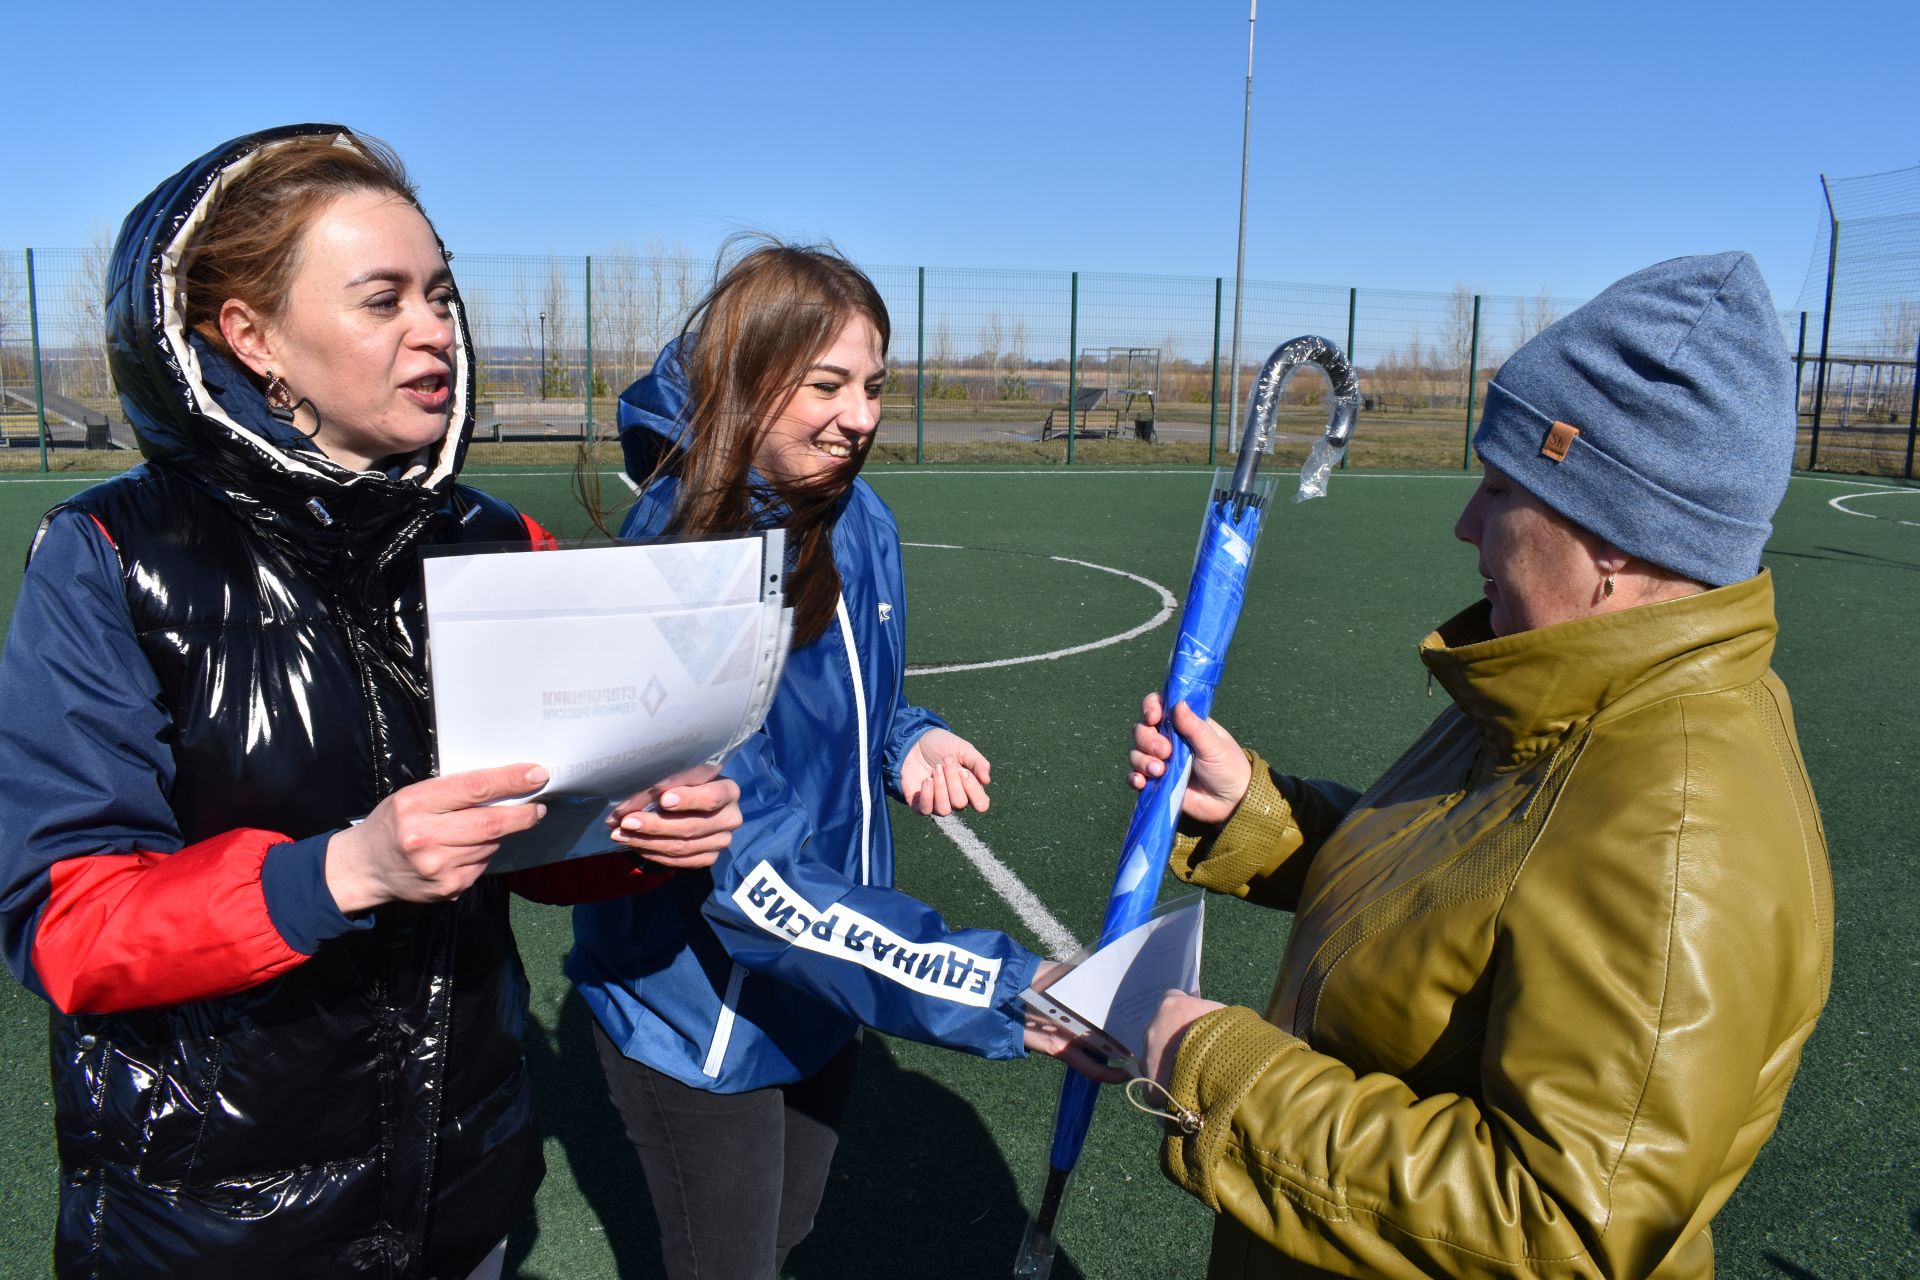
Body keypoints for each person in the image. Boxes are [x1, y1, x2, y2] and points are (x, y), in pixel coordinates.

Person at [0, 124, 740, 1280]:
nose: (435, 328)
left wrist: (639, 834)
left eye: (439, 294)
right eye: (381, 299)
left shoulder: (497, 540)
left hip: (466, 1188)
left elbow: (528, 837)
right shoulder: (107, 552)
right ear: (252, 338)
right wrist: (339, 871)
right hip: (219, 1223)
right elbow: (68, 918)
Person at [1126, 252, 1833, 1279]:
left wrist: (1219, 1070)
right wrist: (1258, 814)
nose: (1467, 524)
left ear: (1616, 539)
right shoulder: (1547, 683)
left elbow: (1556, 1225)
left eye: (1502, 488)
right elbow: (1458, 892)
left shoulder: (1680, 830)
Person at [571, 240, 1111, 1279]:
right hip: (704, 1013)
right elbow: (750, 875)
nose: (860, 416)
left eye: (872, 385)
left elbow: (848, 700)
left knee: (788, 1234)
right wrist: (1009, 985)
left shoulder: (859, 515)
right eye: (826, 384)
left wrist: (907, 735)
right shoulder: (683, 563)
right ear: (743, 379)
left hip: (825, 980)